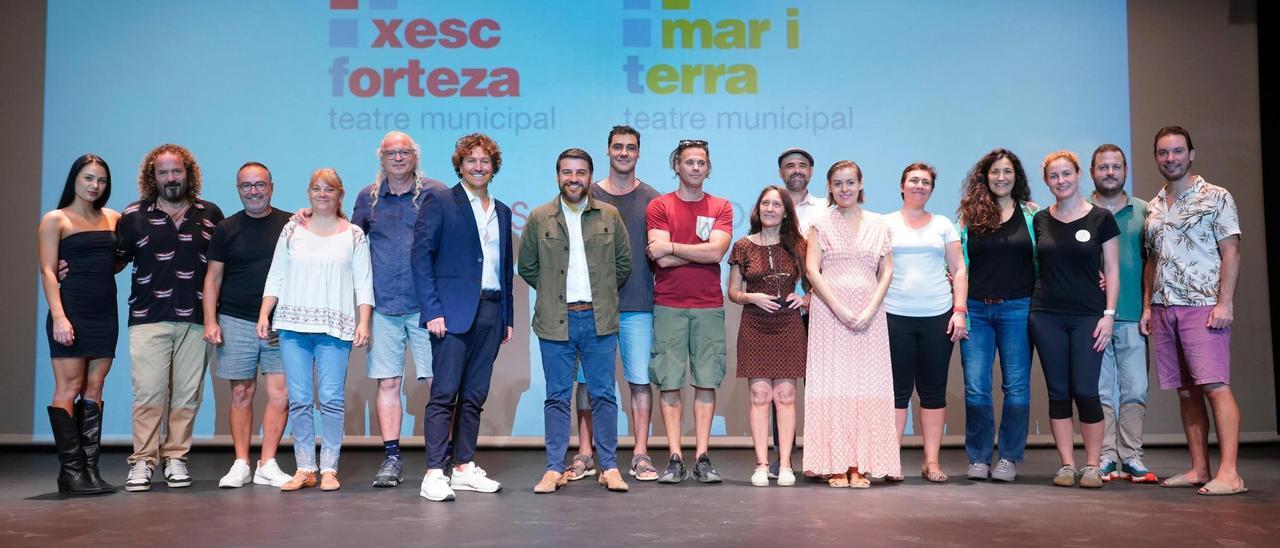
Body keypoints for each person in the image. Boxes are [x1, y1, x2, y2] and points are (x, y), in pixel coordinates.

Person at [1140, 126, 1245, 496]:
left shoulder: (1216, 197)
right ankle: (1200, 468)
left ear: (1191, 154)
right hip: (1165, 307)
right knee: (1186, 391)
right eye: (1164, 153)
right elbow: (1152, 260)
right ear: (1156, 157)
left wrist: (1225, 303)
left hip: (1202, 306)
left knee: (1215, 386)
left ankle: (1230, 473)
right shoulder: (1154, 206)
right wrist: (1147, 306)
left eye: (1177, 151)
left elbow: (1230, 251)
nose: (1171, 158)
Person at [520, 148, 632, 494]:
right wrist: (555, 290)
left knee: (603, 395)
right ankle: (554, 468)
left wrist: (598, 295)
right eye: (567, 172)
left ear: (589, 176)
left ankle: (609, 467)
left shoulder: (609, 215)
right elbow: (528, 267)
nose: (573, 179)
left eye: (580, 172)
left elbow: (623, 265)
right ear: (558, 176)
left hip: (599, 320)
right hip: (556, 321)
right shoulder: (540, 217)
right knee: (556, 397)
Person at [116, 144, 224, 492]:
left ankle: (176, 456)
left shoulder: (210, 213)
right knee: (148, 393)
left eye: (176, 171)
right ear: (153, 176)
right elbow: (115, 260)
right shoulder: (133, 214)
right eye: (163, 172)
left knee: (187, 395)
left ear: (188, 173)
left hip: (196, 318)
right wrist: (71, 266)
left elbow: (222, 268)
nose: (171, 178)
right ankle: (143, 461)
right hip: (148, 317)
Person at [412, 133, 515, 502]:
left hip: (491, 310)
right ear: (460, 165)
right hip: (450, 314)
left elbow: (505, 268)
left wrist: (507, 316)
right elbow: (421, 258)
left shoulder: (501, 210)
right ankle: (434, 473)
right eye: (471, 160)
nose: (478, 166)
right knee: (444, 395)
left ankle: (463, 467)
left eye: (485, 161)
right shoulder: (439, 200)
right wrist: (433, 310)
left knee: (474, 395)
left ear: (493, 167)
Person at [259, 168, 373, 492]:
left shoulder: (353, 235)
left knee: (332, 399)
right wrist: (265, 313)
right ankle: (305, 467)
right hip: (293, 327)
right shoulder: (292, 229)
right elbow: (276, 274)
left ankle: (329, 469)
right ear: (308, 193)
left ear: (340, 194)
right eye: (316, 189)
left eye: (329, 189)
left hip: (335, 327)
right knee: (299, 399)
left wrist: (363, 321)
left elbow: (364, 283)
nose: (322, 194)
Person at [352, 131, 447, 488]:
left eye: (404, 152)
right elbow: (350, 241)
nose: (398, 158)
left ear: (415, 156)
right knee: (389, 383)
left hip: (427, 307)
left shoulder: (435, 194)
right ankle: (392, 458)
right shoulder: (368, 198)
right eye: (391, 153)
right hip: (383, 307)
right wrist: (306, 218)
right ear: (381, 157)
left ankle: (442, 458)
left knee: (440, 383)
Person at [803, 160, 899, 488]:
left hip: (870, 315)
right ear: (829, 187)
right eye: (838, 183)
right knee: (834, 386)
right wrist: (839, 308)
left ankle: (860, 465)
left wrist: (871, 308)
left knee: (867, 387)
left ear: (860, 185)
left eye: (850, 182)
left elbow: (886, 270)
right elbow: (812, 269)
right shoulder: (819, 223)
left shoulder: (879, 224)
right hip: (830, 314)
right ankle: (835, 464)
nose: (844, 189)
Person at [1030, 151, 1119, 488]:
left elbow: (1110, 270)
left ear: (1078, 174)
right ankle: (1067, 464)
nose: (1061, 181)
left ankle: (1093, 465)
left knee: (1085, 390)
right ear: (1047, 181)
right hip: (1046, 315)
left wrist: (1109, 315)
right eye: (1054, 176)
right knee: (1058, 392)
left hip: (1088, 316)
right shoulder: (1040, 219)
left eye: (1066, 174)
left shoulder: (1100, 219)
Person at [645, 139, 733, 484]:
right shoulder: (659, 205)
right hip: (668, 304)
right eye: (689, 162)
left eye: (701, 163)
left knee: (706, 382)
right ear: (677, 166)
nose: (695, 168)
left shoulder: (722, 206)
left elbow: (715, 255)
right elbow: (660, 258)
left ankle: (702, 457)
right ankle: (675, 458)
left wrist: (673, 247)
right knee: (669, 382)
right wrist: (697, 249)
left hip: (708, 305)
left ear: (708, 169)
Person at [202, 162, 294, 488]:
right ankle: (241, 463)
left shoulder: (290, 225)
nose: (253, 191)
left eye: (260, 185)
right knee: (241, 392)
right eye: (246, 186)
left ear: (272, 186)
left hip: (279, 323)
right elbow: (212, 278)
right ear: (238, 189)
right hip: (235, 319)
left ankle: (267, 462)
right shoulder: (226, 229)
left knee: (280, 395)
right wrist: (210, 320)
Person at [38, 154, 120, 495]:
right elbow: (46, 270)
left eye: (100, 180)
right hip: (70, 311)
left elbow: (113, 263)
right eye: (88, 178)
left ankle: (89, 472)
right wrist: (59, 316)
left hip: (105, 313)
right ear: (75, 178)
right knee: (68, 389)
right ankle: (70, 472)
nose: (94, 186)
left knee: (95, 389)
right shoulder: (56, 219)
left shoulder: (114, 218)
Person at [955, 148, 1037, 482]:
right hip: (975, 308)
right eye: (994, 172)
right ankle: (978, 457)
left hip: (1018, 308)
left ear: (1016, 177)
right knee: (976, 387)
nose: (1000, 178)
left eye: (1007, 172)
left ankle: (1009, 458)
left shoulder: (1032, 214)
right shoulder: (968, 215)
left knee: (1016, 387)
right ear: (984, 177)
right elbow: (958, 263)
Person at [883, 162, 967, 483]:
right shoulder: (885, 223)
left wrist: (959, 310)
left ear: (932, 189)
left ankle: (931, 462)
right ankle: (891, 462)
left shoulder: (944, 224)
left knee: (933, 392)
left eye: (926, 182)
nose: (919, 185)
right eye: (913, 180)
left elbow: (959, 269)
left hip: (938, 317)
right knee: (897, 393)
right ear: (902, 186)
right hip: (893, 316)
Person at [589, 125, 663, 481]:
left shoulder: (653, 198)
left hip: (638, 304)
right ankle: (586, 455)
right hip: (590, 307)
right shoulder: (585, 193)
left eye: (630, 148)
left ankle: (640, 454)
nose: (623, 153)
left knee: (639, 382)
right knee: (588, 383)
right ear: (607, 150)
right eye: (617, 146)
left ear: (638, 153)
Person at [726, 185, 807, 487]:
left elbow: (815, 284)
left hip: (788, 325)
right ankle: (761, 464)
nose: (770, 209)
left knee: (785, 396)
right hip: (755, 325)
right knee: (760, 395)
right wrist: (752, 297)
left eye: (776, 204)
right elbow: (733, 292)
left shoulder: (800, 245)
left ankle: (785, 464)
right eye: (765, 204)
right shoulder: (743, 245)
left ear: (786, 211)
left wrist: (807, 300)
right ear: (758, 209)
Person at [1088, 144, 1157, 483]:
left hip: (1132, 315)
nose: (1110, 172)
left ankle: (1131, 456)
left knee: (1135, 389)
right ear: (1092, 172)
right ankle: (1105, 456)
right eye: (1103, 167)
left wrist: (1148, 307)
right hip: (1093, 318)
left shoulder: (1146, 212)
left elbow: (1153, 265)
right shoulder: (1079, 210)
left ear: (1125, 170)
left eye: (1116, 166)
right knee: (1099, 391)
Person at [779, 147, 824, 236]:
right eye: (790, 166)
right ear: (780, 173)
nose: (797, 171)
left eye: (802, 166)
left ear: (811, 172)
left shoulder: (825, 208)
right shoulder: (770, 209)